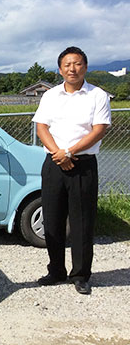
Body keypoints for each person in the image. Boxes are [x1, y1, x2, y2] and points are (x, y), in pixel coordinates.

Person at [32, 46, 111, 295]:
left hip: (83, 165)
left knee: (82, 222)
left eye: (77, 64)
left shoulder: (97, 95)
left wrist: (70, 152)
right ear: (60, 69)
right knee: (52, 220)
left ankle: (80, 275)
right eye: (67, 65)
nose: (72, 69)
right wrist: (59, 153)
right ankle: (56, 271)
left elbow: (98, 129)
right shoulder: (51, 95)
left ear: (85, 67)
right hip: (54, 163)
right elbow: (41, 127)